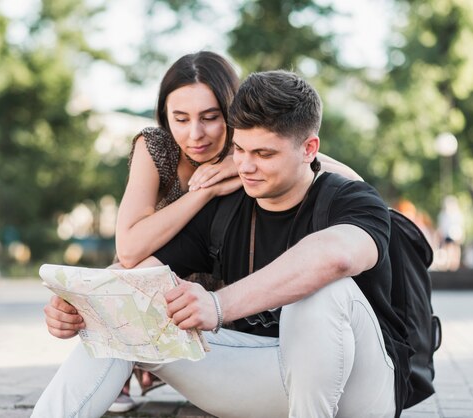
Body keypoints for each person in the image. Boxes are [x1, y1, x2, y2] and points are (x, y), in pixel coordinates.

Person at [33, 70, 399, 418]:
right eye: (240, 149)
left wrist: (218, 305)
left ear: (309, 149)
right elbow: (137, 277)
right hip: (267, 378)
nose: (246, 166)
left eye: (264, 154)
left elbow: (334, 257)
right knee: (121, 316)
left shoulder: (352, 200)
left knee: (321, 291)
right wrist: (81, 302)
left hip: (359, 389)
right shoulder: (225, 211)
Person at [110, 51, 362, 412]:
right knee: (119, 282)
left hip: (228, 285)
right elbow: (130, 249)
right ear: (165, 116)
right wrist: (206, 191)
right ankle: (121, 368)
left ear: (230, 114)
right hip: (164, 269)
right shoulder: (156, 147)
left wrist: (234, 161)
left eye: (210, 118)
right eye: (179, 118)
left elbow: (351, 181)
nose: (194, 134)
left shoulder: (246, 150)